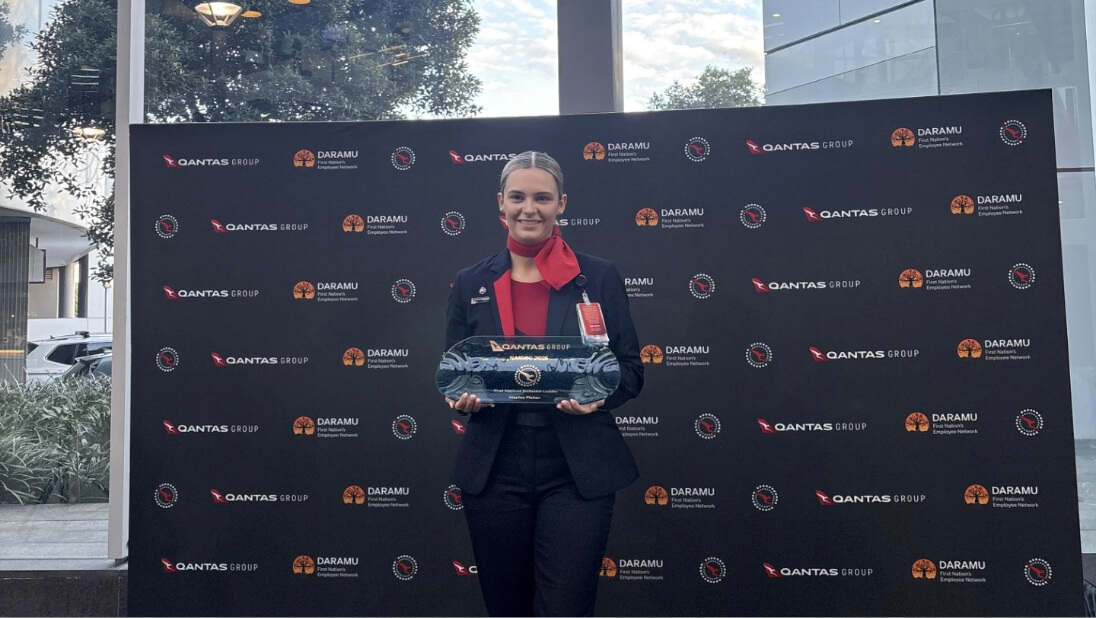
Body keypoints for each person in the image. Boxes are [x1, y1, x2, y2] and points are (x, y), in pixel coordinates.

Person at [444, 151, 643, 617]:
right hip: (496, 465)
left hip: (574, 467)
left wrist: (596, 398)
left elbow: (630, 370)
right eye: (518, 197)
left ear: (561, 204)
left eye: (541, 197)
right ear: (501, 202)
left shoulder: (598, 276)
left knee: (566, 609)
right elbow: (455, 371)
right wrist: (463, 398)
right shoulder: (470, 280)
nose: (528, 208)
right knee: (506, 608)